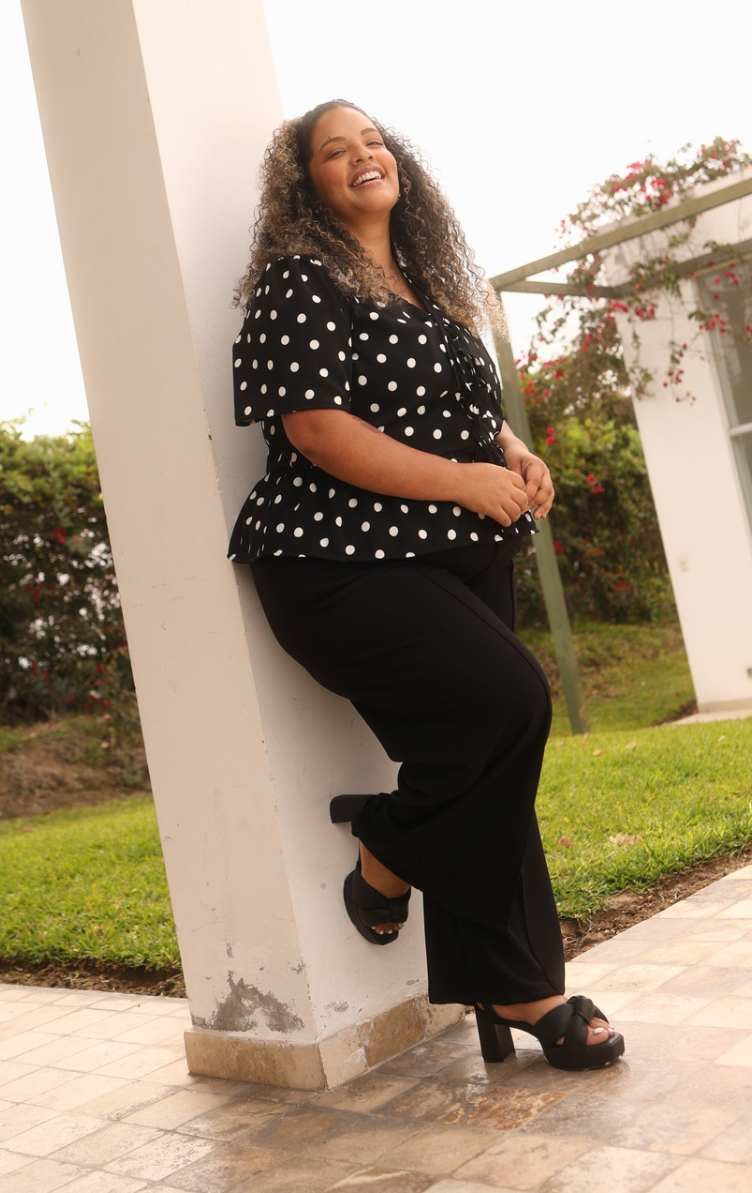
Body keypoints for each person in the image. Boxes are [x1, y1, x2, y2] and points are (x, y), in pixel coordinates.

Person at [227, 100, 624, 1072]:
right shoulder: (300, 279)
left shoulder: (431, 282)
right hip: (334, 562)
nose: (363, 155)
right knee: (513, 702)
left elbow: (463, 412)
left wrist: (511, 452)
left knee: (484, 757)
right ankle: (389, 845)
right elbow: (318, 430)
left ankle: (511, 981)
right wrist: (464, 482)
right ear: (306, 184)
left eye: (374, 141)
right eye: (336, 150)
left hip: (455, 551)